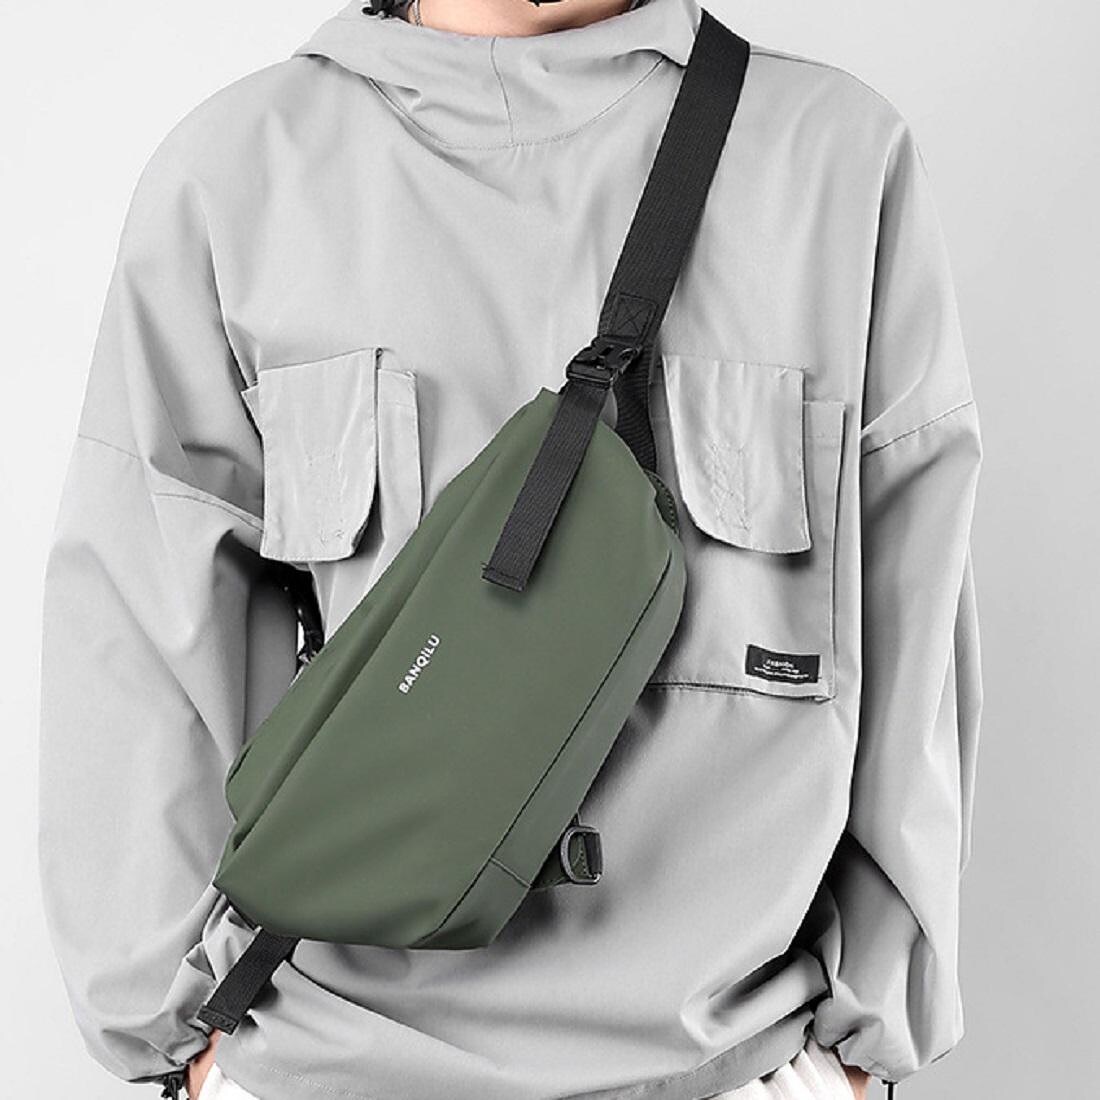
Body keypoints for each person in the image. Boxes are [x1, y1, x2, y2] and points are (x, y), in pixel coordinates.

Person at [38, 0, 983, 1097]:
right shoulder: (234, 175)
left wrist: (857, 1042)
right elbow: (137, 639)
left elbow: (913, 626)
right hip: (327, 1064)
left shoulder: (836, 159)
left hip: (734, 1062)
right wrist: (185, 1033)